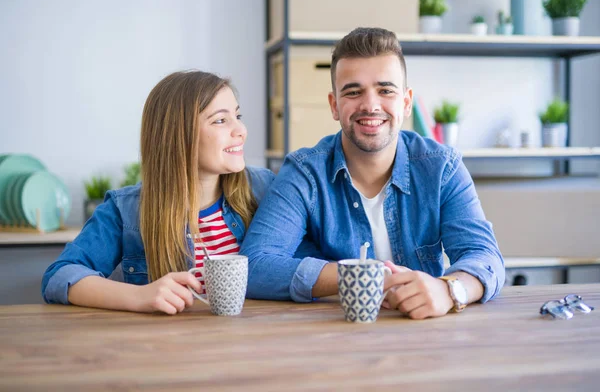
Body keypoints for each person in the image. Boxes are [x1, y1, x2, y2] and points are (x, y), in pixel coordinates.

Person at [241, 27, 505, 319]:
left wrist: (449, 291)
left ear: (405, 103)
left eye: (385, 90)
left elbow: (485, 257)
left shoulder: (442, 167)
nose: (370, 105)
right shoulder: (304, 172)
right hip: (332, 338)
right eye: (353, 92)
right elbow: (255, 265)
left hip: (425, 333)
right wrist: (361, 276)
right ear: (334, 105)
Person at [42, 70, 275, 315]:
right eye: (220, 120)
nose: (241, 130)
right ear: (177, 135)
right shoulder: (126, 211)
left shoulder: (264, 189)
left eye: (238, 116)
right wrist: (139, 296)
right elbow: (60, 276)